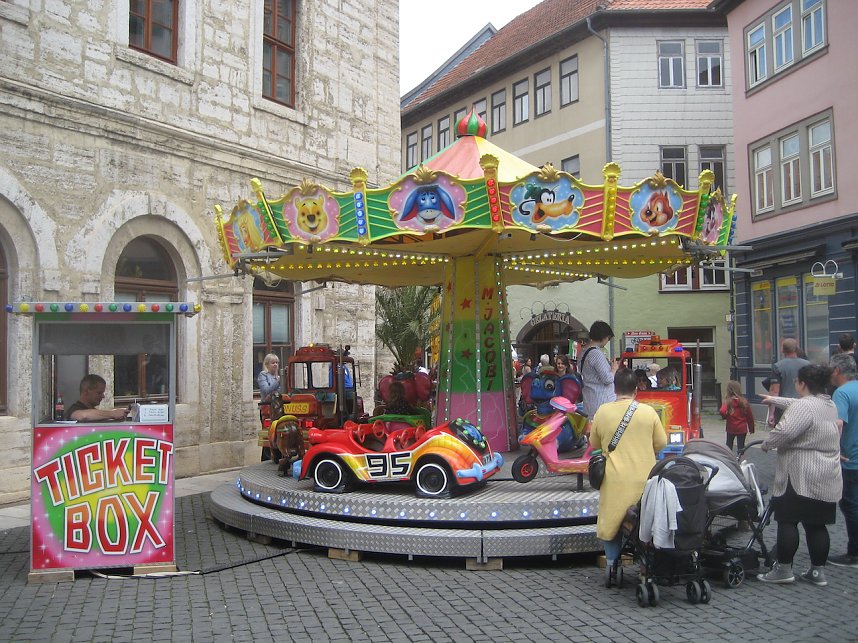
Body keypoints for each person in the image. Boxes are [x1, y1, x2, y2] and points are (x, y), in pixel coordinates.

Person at [757, 364, 842, 585]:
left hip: (800, 473)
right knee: (816, 524)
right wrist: (775, 400)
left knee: (788, 520)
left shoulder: (804, 407)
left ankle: (784, 569)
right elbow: (801, 405)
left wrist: (767, 443)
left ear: (802, 383)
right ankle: (817, 572)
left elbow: (785, 430)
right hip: (826, 474)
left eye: (796, 381)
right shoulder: (828, 404)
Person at [591, 368, 667, 579]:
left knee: (611, 523)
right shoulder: (648, 412)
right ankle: (645, 565)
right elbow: (661, 443)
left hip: (615, 480)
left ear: (614, 389)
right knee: (645, 522)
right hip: (644, 480)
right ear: (636, 389)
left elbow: (594, 443)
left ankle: (613, 565)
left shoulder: (603, 411)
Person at [829, 353, 858, 567]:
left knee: (850, 505)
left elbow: (838, 424)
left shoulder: (842, 393)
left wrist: (834, 450)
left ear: (837, 371)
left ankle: (854, 552)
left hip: (850, 460)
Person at [579, 320, 619, 417]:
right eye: (608, 338)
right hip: (602, 402)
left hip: (590, 401)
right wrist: (614, 368)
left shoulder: (584, 352)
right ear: (604, 337)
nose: (607, 341)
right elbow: (607, 379)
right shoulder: (596, 353)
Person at [767, 338, 810, 427]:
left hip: (783, 408)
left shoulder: (778, 366)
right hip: (805, 407)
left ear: (782, 350)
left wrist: (771, 413)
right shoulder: (808, 365)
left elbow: (774, 391)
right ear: (797, 349)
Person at [64, 374, 128, 422]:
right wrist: (113, 414)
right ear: (86, 392)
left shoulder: (95, 412)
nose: (103, 396)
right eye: (99, 393)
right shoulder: (74, 409)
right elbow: (82, 416)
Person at [720, 380, 755, 454]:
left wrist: (725, 416)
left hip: (731, 427)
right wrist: (751, 428)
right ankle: (741, 461)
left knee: (729, 445)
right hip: (742, 428)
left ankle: (729, 460)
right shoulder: (744, 401)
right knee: (741, 447)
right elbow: (750, 416)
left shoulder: (728, 401)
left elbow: (722, 411)